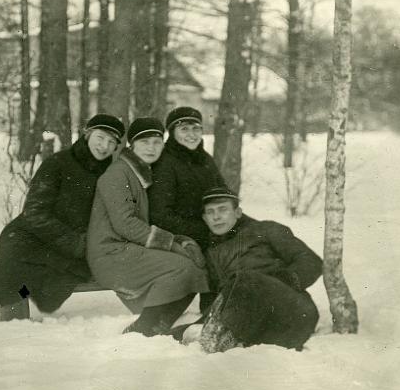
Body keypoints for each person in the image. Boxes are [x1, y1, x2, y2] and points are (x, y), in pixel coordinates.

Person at [0, 114, 125, 317]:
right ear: (87, 135)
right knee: (16, 282)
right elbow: (35, 214)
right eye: (100, 137)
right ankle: (6, 310)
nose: (104, 146)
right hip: (30, 240)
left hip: (70, 247)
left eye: (111, 142)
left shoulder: (111, 174)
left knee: (56, 288)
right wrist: (77, 244)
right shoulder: (58, 164)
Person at [87, 117, 210, 337]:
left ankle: (163, 321)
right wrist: (171, 243)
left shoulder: (142, 172)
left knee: (196, 264)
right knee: (182, 267)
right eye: (144, 142)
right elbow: (126, 224)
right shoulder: (117, 174)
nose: (152, 148)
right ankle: (145, 325)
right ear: (131, 145)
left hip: (130, 248)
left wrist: (181, 240)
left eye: (157, 142)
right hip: (110, 251)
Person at [180, 186, 322, 352]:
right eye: (210, 212)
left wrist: (280, 281)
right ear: (205, 218)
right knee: (179, 333)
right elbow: (213, 300)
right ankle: (215, 337)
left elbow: (311, 261)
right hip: (254, 325)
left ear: (238, 212)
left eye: (223, 209)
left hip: (290, 311)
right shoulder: (211, 254)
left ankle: (216, 339)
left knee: (246, 279)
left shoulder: (266, 229)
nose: (216, 217)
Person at [148, 107, 225, 314]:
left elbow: (222, 193)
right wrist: (204, 230)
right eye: (184, 129)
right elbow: (160, 214)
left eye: (196, 128)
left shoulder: (204, 159)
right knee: (214, 249)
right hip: (178, 231)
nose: (191, 135)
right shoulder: (165, 162)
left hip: (210, 225)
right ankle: (212, 307)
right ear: (172, 132)